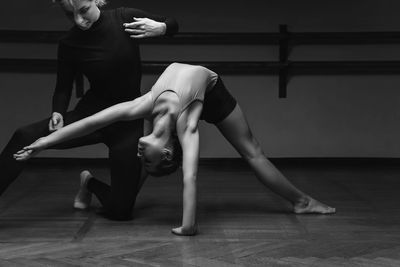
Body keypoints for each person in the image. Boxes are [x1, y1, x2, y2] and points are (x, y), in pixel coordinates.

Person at [15, 63, 336, 235]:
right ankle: (97, 187)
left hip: (210, 95)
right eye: (149, 159)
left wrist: (44, 142)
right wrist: (44, 143)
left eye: (145, 161)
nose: (140, 154)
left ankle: (302, 201)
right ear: (166, 153)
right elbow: (189, 177)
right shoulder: (185, 128)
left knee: (252, 151)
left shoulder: (147, 106)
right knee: (125, 201)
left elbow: (94, 121)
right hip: (203, 97)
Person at [0, 0, 178, 220]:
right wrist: (58, 111)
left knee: (120, 211)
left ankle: (89, 182)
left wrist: (161, 28)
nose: (78, 21)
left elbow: (173, 24)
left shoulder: (123, 18)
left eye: (83, 11)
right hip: (89, 116)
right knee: (24, 136)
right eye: (69, 15)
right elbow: (63, 88)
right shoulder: (69, 43)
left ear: (97, 1)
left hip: (126, 124)